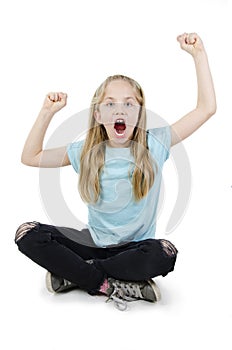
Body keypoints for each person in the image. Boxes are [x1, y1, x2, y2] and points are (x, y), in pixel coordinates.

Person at [15, 33, 216, 311]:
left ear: (138, 113)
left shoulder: (154, 144)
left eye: (128, 103)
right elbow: (31, 157)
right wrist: (47, 111)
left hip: (134, 249)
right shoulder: (85, 150)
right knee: (28, 234)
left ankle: (77, 274)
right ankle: (105, 283)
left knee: (164, 254)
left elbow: (206, 109)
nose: (118, 109)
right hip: (93, 243)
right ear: (98, 115)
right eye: (109, 103)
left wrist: (199, 55)